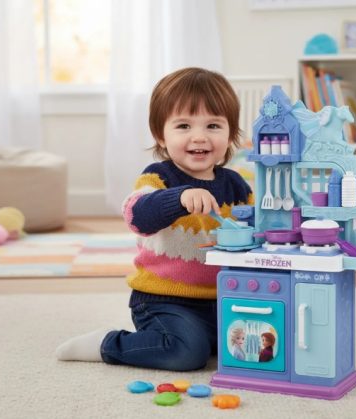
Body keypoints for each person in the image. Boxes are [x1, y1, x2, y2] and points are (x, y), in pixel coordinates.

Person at [56, 67, 254, 371]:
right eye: (184, 125)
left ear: (230, 135)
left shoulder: (237, 185)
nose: (199, 136)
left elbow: (255, 232)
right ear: (161, 135)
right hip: (164, 300)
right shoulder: (158, 178)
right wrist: (179, 198)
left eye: (213, 125)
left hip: (223, 299)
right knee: (186, 353)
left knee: (263, 341)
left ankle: (202, 338)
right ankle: (108, 344)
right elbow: (137, 215)